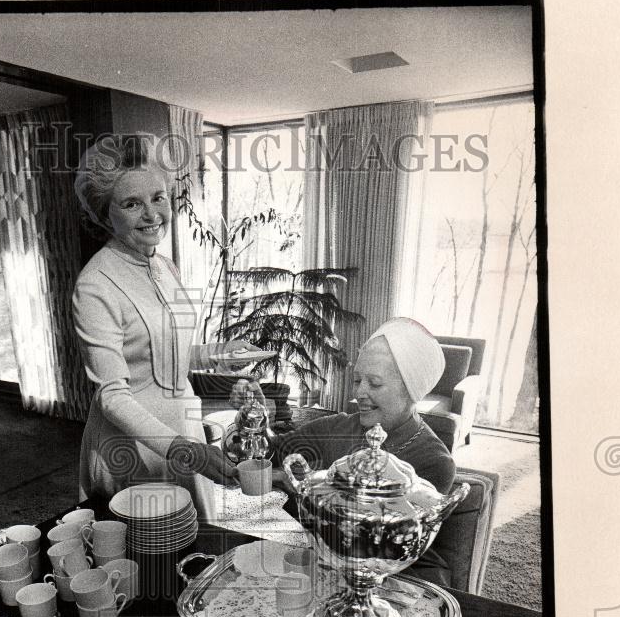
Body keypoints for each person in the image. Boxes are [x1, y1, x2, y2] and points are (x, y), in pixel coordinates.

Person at [72, 134, 256, 520]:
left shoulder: (164, 265)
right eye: (131, 203)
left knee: (194, 540)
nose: (152, 213)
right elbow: (112, 396)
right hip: (131, 443)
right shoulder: (94, 285)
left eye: (158, 197)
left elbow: (161, 355)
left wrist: (218, 354)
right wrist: (182, 449)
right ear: (105, 214)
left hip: (182, 424)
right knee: (142, 558)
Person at [232, 317, 457, 584]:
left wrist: (310, 489)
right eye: (357, 380)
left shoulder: (434, 460)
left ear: (411, 389)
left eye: (374, 383)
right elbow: (272, 453)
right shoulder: (339, 426)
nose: (360, 393)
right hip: (319, 564)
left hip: (388, 580)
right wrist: (257, 419)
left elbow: (386, 547)